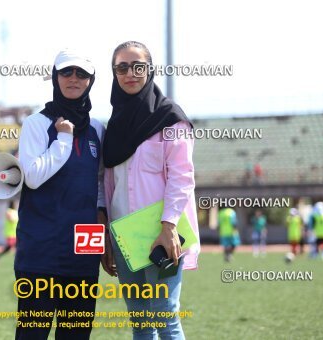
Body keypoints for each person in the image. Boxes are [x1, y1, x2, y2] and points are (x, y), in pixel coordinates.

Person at [102, 41, 200, 340]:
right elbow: (107, 184)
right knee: (141, 322)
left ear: (150, 69)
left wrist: (169, 225)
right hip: (124, 235)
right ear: (114, 73)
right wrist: (107, 236)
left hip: (162, 232)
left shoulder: (170, 118)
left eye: (138, 66)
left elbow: (182, 177)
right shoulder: (113, 126)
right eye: (122, 67)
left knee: (165, 315)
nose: (130, 73)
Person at [14, 49, 106, 340]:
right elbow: (33, 177)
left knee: (76, 335)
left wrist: (102, 227)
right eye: (67, 72)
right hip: (40, 249)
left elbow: (101, 183)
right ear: (55, 77)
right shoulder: (36, 124)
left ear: (91, 80)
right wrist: (63, 139)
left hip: (84, 249)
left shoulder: (97, 129)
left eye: (82, 74)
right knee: (33, 334)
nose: (74, 79)